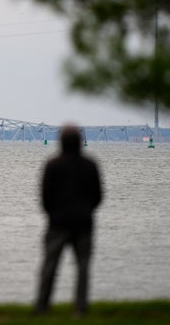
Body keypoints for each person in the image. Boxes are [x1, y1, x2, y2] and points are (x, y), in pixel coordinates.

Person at [34, 125, 103, 317]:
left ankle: (42, 306)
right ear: (80, 143)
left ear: (61, 143)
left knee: (50, 265)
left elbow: (44, 196)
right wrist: (87, 210)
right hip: (83, 223)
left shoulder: (52, 165)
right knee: (83, 267)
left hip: (58, 222)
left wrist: (52, 214)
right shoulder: (91, 165)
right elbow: (98, 196)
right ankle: (80, 307)